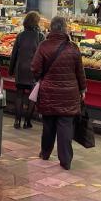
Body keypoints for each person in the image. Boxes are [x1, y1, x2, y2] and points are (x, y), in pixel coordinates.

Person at [32, 16, 86, 170]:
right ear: (65, 29)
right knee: (65, 127)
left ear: (51, 28)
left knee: (48, 125)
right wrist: (82, 89)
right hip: (69, 94)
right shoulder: (73, 47)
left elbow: (35, 68)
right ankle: (66, 160)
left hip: (48, 92)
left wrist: (41, 78)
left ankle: (45, 153)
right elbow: (80, 72)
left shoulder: (43, 46)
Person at [10, 11, 44, 130]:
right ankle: (27, 122)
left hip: (20, 69)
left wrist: (11, 70)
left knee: (19, 95)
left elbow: (14, 54)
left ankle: (17, 121)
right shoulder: (40, 36)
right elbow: (43, 55)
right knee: (32, 96)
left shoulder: (20, 35)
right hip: (33, 70)